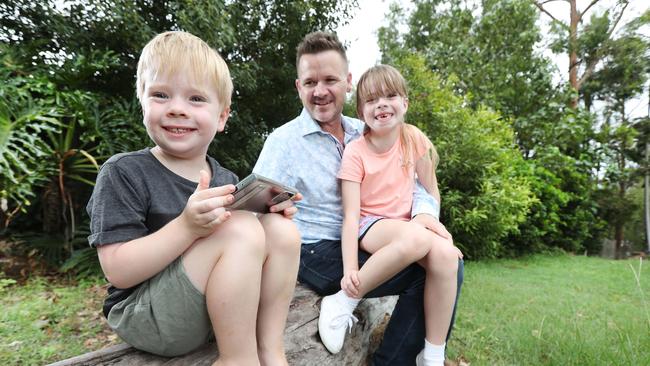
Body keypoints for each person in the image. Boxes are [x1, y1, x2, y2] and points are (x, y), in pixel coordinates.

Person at [87, 31, 301, 366]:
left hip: (209, 313)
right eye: (160, 94)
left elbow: (242, 251)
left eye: (196, 99)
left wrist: (270, 212)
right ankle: (238, 360)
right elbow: (118, 272)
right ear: (142, 100)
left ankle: (270, 350)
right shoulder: (124, 172)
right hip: (148, 315)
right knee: (240, 228)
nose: (176, 109)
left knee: (282, 231)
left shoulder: (226, 179)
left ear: (222, 117)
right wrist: (187, 227)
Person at [253, 31, 464, 366]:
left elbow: (418, 184)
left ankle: (419, 358)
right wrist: (270, 208)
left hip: (373, 237)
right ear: (299, 87)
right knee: (432, 269)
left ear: (348, 83)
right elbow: (255, 204)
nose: (320, 91)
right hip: (315, 248)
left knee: (447, 260)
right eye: (310, 82)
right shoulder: (284, 142)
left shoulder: (363, 130)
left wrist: (425, 215)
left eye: (330, 80)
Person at [335, 64, 462, 366]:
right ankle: (345, 299)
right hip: (371, 225)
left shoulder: (413, 138)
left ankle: (432, 355)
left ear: (404, 103)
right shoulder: (356, 151)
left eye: (390, 95)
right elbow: (351, 216)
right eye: (371, 99)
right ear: (361, 111)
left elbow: (430, 191)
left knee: (448, 258)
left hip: (408, 226)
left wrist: (430, 221)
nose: (381, 103)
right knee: (419, 238)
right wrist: (350, 270)